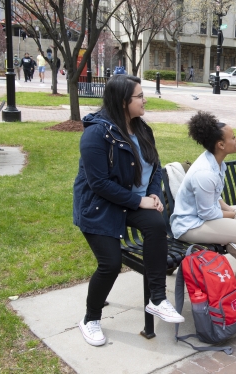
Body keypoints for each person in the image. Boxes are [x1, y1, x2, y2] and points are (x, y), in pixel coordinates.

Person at [73, 74, 184, 347]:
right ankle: (90, 319)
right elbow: (98, 183)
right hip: (100, 205)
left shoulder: (142, 129)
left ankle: (157, 299)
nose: (145, 100)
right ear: (124, 102)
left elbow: (155, 166)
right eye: (140, 96)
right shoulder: (96, 134)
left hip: (134, 201)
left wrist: (154, 194)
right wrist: (139, 201)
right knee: (110, 264)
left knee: (156, 226)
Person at [170, 111, 236, 312]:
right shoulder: (205, 172)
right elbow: (208, 214)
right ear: (221, 145)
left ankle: (233, 242)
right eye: (233, 137)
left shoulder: (216, 162)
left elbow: (216, 197)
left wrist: (232, 211)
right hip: (191, 225)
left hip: (206, 217)